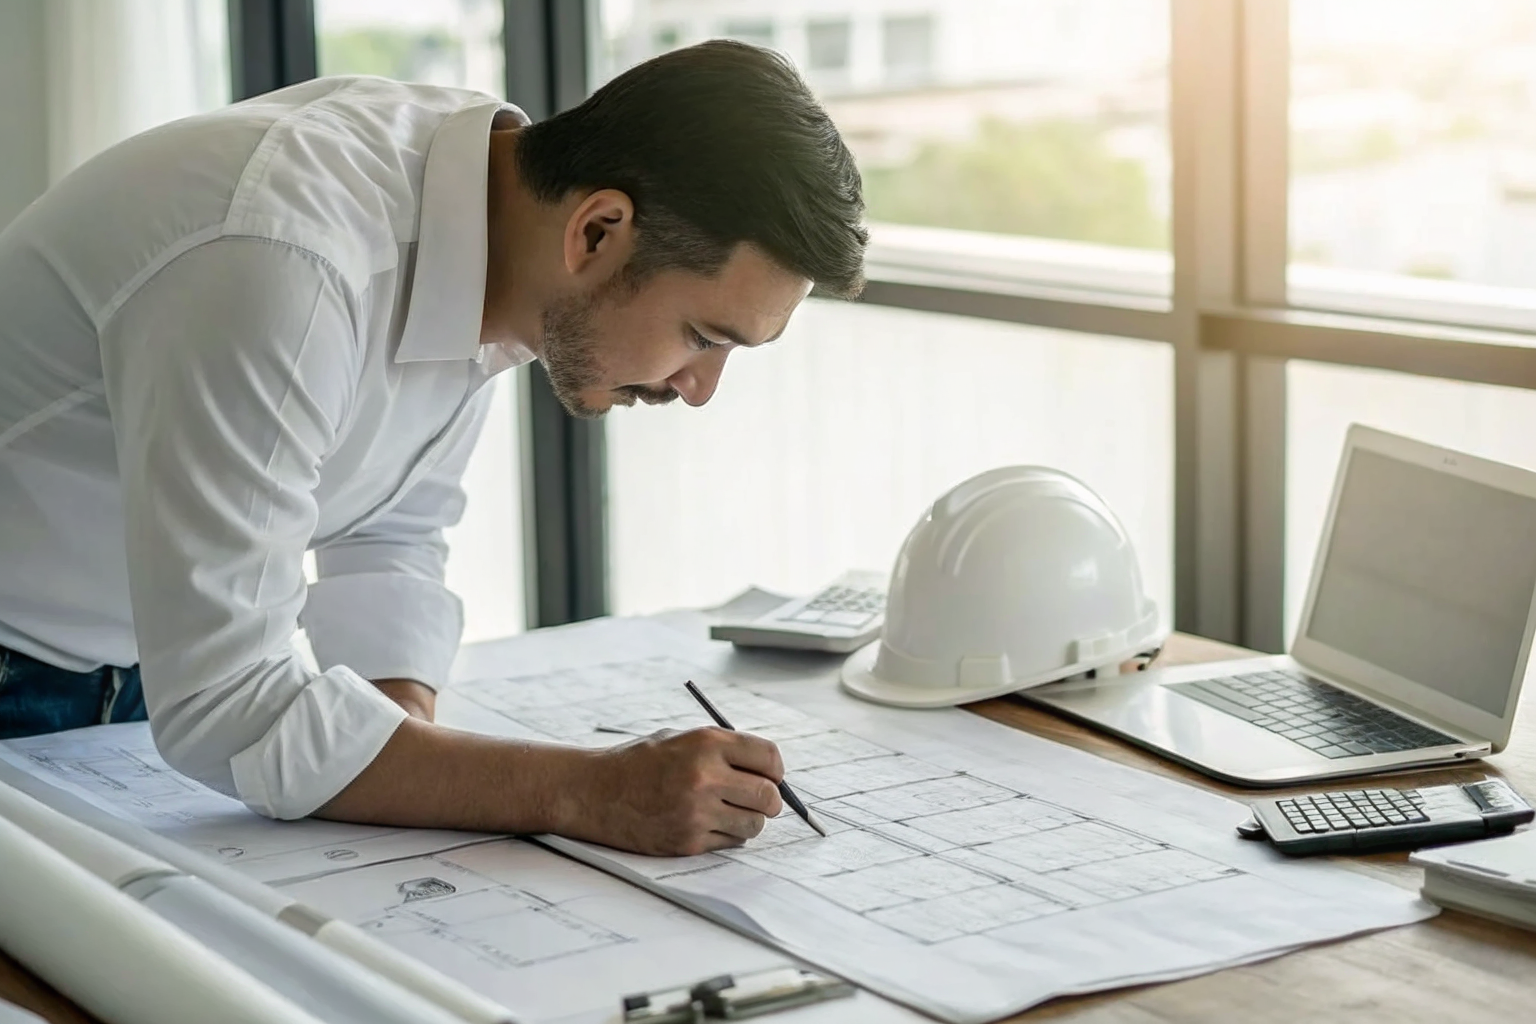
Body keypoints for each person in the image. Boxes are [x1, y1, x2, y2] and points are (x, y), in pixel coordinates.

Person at [0, 41, 867, 856]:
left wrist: (409, 746)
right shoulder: (283, 260)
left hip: (139, 667)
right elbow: (231, 706)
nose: (700, 388)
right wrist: (593, 793)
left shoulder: (491, 217)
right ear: (598, 231)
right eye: (702, 335)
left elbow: (387, 530)